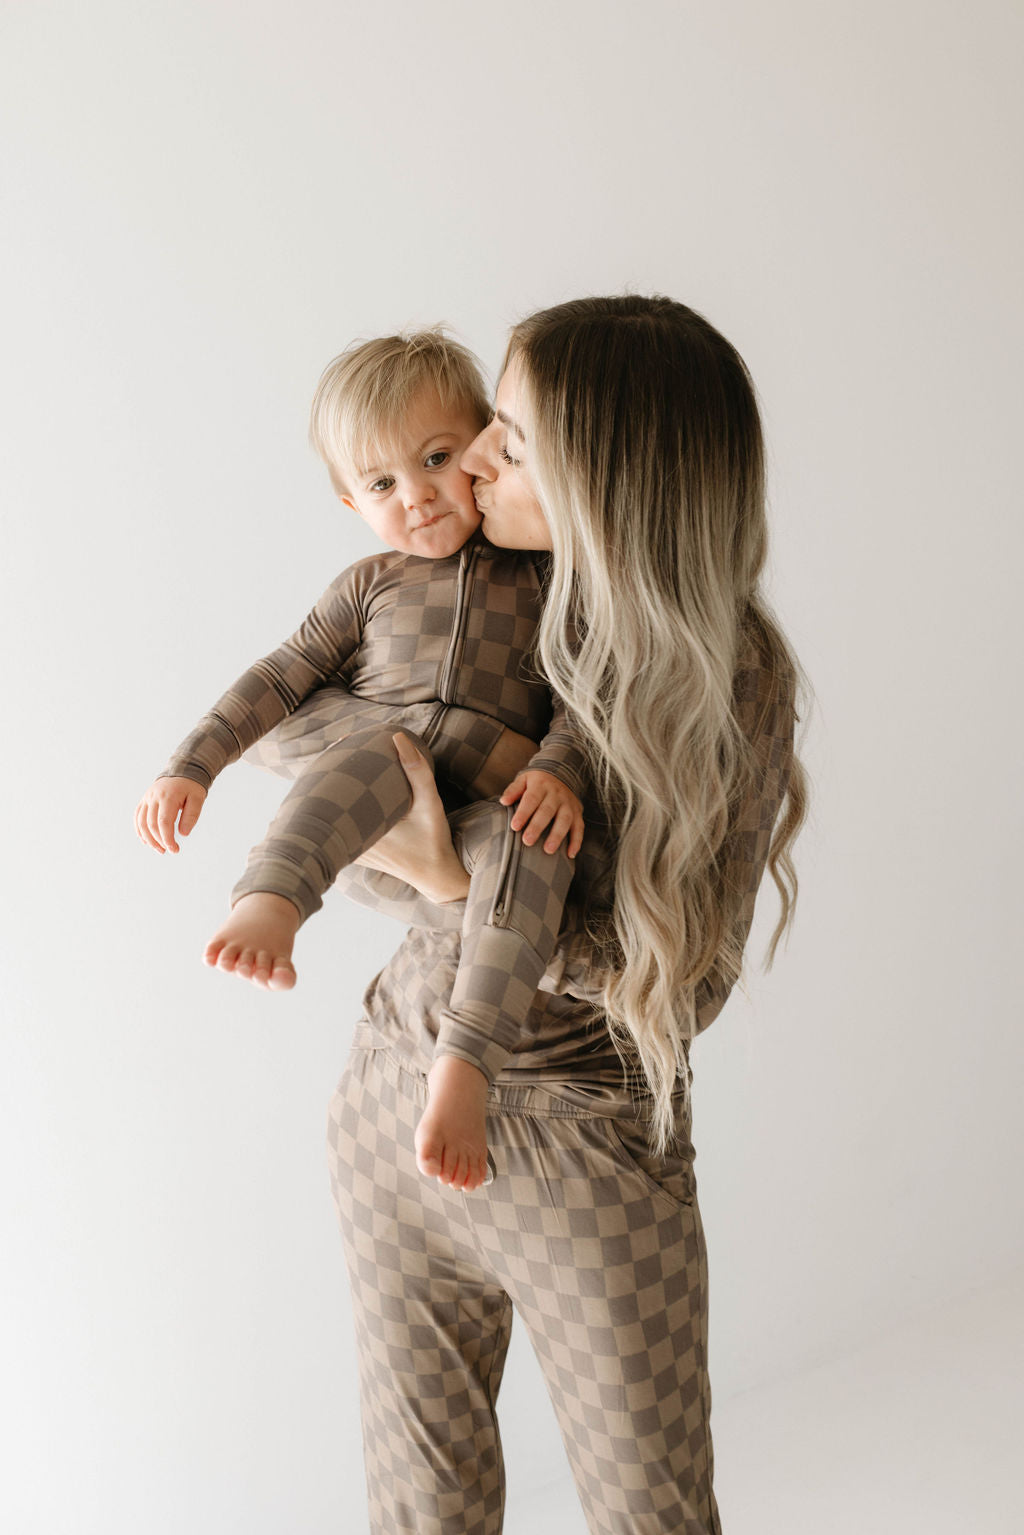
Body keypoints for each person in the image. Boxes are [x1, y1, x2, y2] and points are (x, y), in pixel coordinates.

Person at [324, 294, 811, 1534]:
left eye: (516, 437)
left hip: (583, 1153)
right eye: (491, 420)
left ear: (611, 480)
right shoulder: (469, 591)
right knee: (418, 1509)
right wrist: (414, 852)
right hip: (393, 1089)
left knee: (650, 1512)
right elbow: (351, 835)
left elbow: (685, 986)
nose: (475, 457)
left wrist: (453, 881)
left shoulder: (732, 675)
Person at [134, 329, 590, 1193]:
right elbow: (281, 676)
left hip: (495, 802)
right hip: (388, 774)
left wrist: (559, 768)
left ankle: (465, 1065)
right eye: (383, 483)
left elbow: (585, 702)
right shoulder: (369, 584)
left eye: (437, 458)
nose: (417, 495)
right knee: (373, 750)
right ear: (352, 502)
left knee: (535, 850)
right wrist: (193, 763)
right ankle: (272, 897)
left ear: (484, 446)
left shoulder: (550, 578)